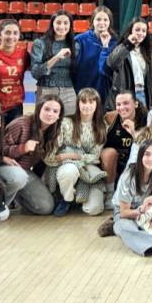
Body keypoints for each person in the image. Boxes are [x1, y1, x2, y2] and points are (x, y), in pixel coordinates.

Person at [45, 88, 108, 216]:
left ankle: (79, 196)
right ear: (78, 103)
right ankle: (67, 199)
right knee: (69, 171)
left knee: (94, 209)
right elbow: (53, 154)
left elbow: (95, 156)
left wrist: (77, 157)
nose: (87, 106)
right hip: (66, 163)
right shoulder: (66, 122)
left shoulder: (102, 126)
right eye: (83, 102)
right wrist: (68, 156)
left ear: (97, 104)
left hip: (88, 167)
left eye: (91, 102)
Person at [1, 95, 64, 215]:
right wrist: (22, 148)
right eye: (47, 109)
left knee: (46, 207)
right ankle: (1, 197)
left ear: (59, 116)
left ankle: (17, 196)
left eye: (55, 111)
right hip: (5, 167)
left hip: (25, 171)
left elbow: (42, 161)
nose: (50, 114)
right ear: (39, 109)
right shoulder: (21, 124)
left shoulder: (54, 131)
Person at [101, 91, 147, 195]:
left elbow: (148, 147)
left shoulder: (145, 119)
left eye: (126, 103)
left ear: (135, 104)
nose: (122, 107)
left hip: (135, 162)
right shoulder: (110, 117)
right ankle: (109, 192)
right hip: (113, 164)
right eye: (118, 104)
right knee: (108, 153)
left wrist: (133, 133)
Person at [31, 10, 76, 115]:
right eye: (58, 22)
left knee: (70, 122)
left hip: (69, 90)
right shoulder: (40, 43)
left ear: (70, 26)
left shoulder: (74, 44)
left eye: (66, 23)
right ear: (52, 24)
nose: (62, 26)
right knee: (46, 122)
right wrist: (56, 57)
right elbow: (35, 72)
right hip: (46, 89)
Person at [105, 18, 152, 109]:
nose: (140, 33)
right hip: (126, 95)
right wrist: (127, 44)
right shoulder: (123, 47)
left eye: (144, 31)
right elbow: (112, 63)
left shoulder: (146, 51)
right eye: (137, 30)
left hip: (142, 94)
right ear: (131, 31)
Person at [0, 19, 28, 125]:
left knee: (14, 134)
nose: (11, 36)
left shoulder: (23, 53)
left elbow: (37, 69)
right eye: (7, 32)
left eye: (15, 33)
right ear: (0, 34)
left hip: (16, 105)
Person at [73, 6, 117, 99]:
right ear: (92, 21)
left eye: (105, 20)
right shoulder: (80, 40)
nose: (102, 23)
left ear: (110, 22)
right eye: (98, 19)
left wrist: (105, 46)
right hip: (83, 89)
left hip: (105, 92)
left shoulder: (114, 42)